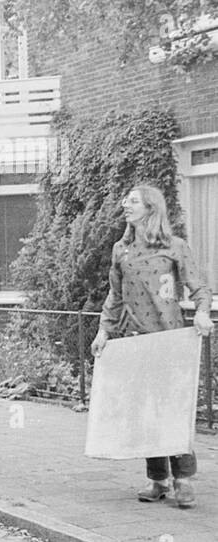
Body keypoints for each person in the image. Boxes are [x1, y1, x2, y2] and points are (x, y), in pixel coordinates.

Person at [91, 184, 213, 507]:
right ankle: (157, 479)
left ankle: (183, 480)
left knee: (173, 409)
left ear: (150, 208)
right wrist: (104, 331)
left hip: (172, 339)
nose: (124, 204)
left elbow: (199, 287)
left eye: (132, 201)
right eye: (125, 199)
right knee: (147, 410)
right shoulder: (122, 250)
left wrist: (202, 313)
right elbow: (115, 296)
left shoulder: (174, 247)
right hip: (137, 342)